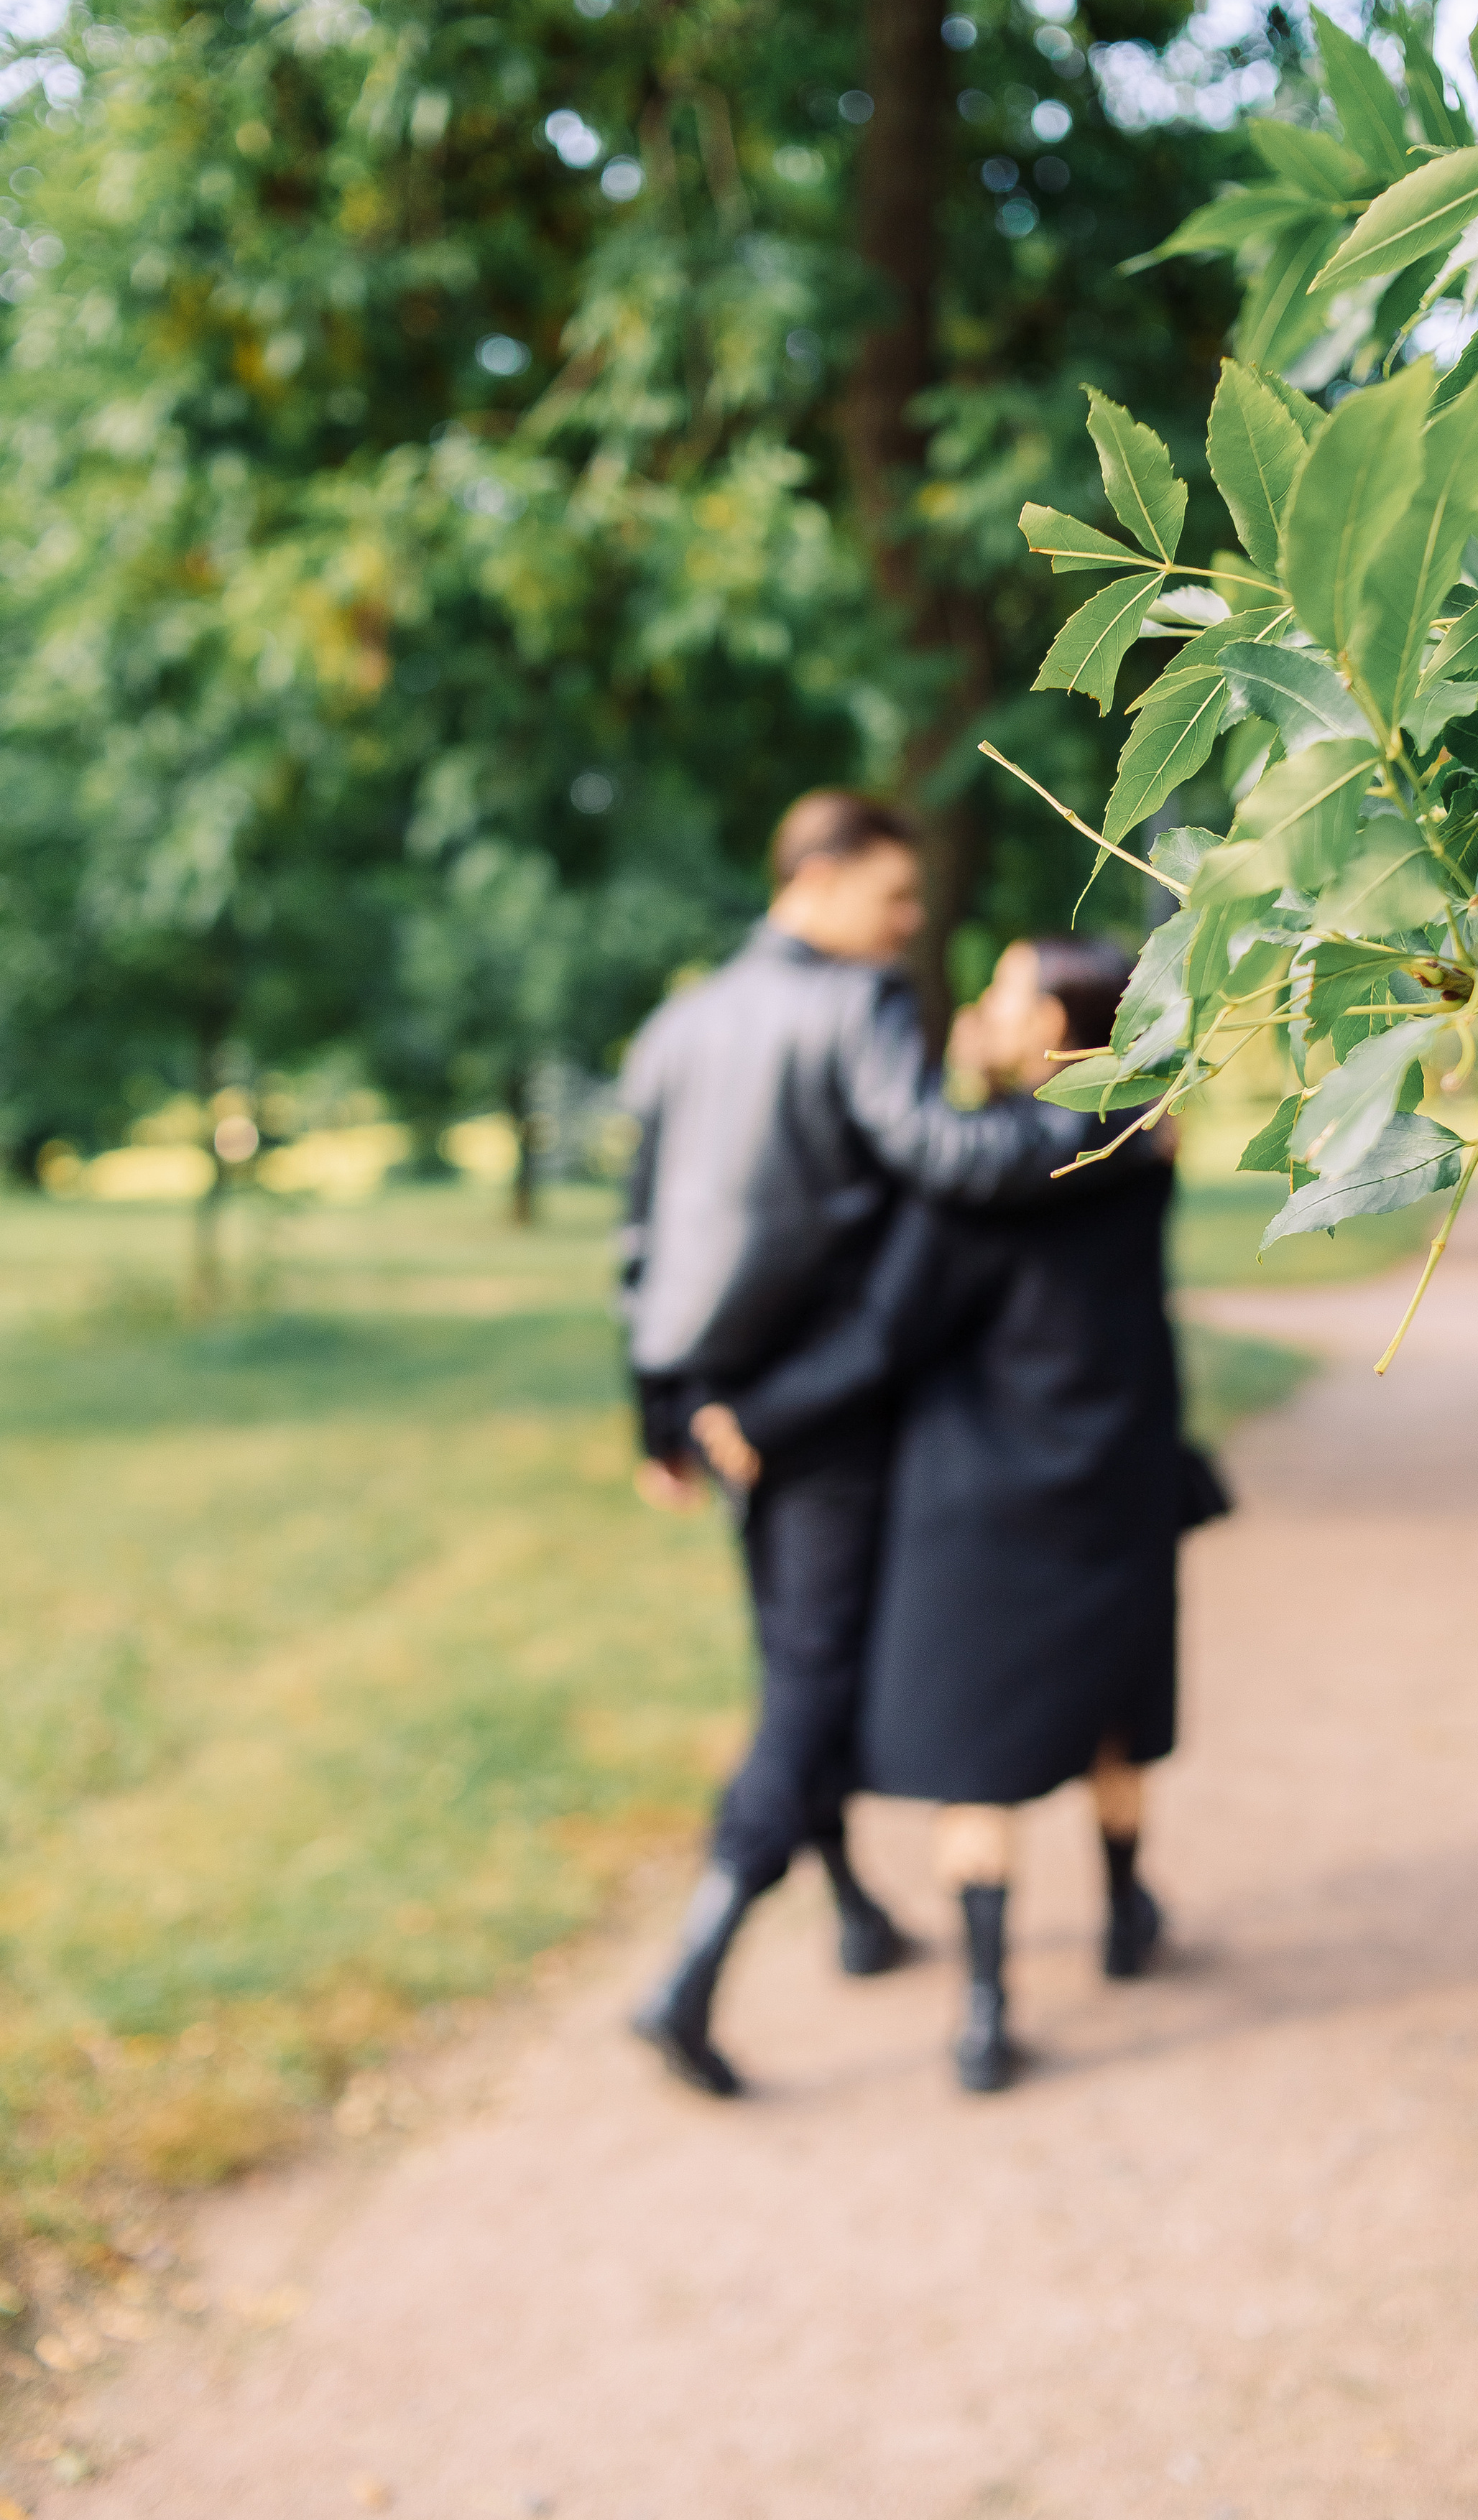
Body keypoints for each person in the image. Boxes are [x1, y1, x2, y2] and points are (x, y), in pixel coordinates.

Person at [694, 935, 1220, 2095]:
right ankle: (1127, 1915)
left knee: (982, 1759)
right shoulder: (1146, 1143)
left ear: (1063, 1028)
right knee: (1114, 1717)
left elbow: (885, 1336)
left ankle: (984, 2016)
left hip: (981, 1500)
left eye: (1007, 989)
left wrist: (762, 1416)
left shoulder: (980, 1181)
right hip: (1118, 1478)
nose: (981, 1001)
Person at [617, 792, 1084, 2098]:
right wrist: (1083, 1126)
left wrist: (660, 1414)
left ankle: (856, 1914)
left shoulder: (683, 1021)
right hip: (825, 1403)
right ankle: (689, 1975)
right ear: (817, 878)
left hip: (716, 1399)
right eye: (893, 899)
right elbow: (937, 1149)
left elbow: (641, 1240)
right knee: (813, 1682)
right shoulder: (856, 1004)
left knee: (790, 1653)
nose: (908, 925)